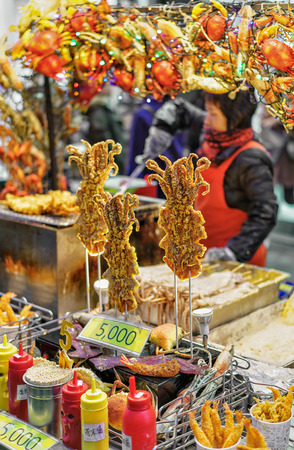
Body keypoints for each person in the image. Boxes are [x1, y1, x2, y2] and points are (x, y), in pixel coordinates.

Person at [139, 90, 278, 267]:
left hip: (239, 264)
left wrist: (233, 252)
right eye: (207, 112)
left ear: (234, 119)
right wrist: (162, 128)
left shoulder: (251, 159)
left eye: (212, 114)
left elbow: (266, 213)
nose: (206, 120)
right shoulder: (215, 135)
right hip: (203, 255)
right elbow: (181, 110)